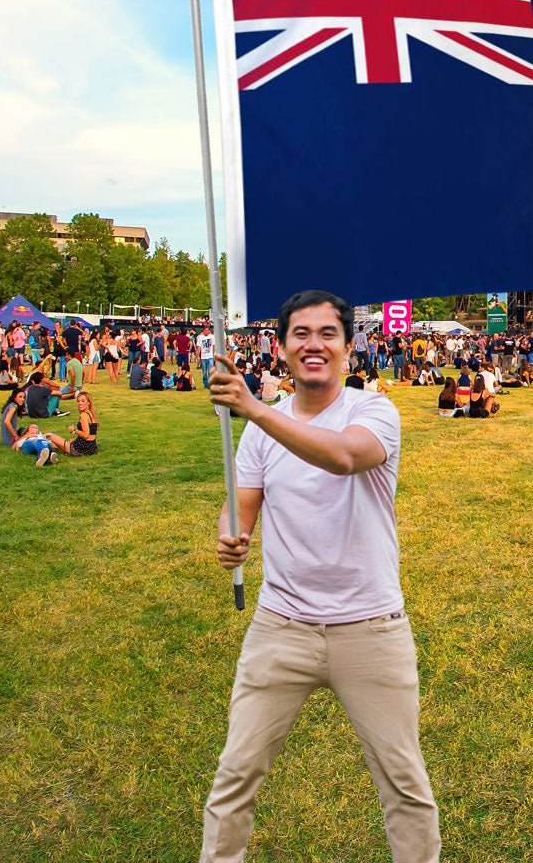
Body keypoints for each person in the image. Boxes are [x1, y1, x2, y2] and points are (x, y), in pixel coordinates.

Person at [202, 290, 440, 863]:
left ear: (349, 347)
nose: (314, 344)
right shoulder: (263, 429)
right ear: (282, 347)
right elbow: (244, 503)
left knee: (404, 787)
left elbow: (342, 456)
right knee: (234, 777)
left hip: (371, 627)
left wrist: (254, 408)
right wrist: (230, 534)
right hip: (280, 626)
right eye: (301, 333)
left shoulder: (373, 411)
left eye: (327, 333)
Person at [47, 391, 99, 457]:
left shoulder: (84, 415)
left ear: (89, 402)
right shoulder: (92, 415)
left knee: (51, 436)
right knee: (56, 444)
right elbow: (91, 434)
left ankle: (38, 438)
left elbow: (86, 435)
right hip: (92, 448)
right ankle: (49, 445)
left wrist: (74, 430)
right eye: (78, 401)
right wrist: (75, 439)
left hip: (80, 448)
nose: (80, 403)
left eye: (83, 401)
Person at [197, 324, 216, 389]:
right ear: (203, 331)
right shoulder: (200, 337)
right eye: (205, 330)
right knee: (204, 372)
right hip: (203, 357)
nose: (206, 331)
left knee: (210, 371)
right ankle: (206, 384)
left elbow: (214, 346)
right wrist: (198, 356)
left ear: (209, 331)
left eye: (207, 330)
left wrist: (214, 354)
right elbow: (199, 347)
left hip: (210, 356)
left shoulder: (212, 337)